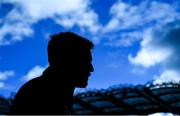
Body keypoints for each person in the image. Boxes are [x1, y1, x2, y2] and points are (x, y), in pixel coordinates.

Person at [9, 32, 94, 114]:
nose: (91, 69)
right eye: (84, 62)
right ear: (64, 61)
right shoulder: (36, 94)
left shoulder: (58, 95)